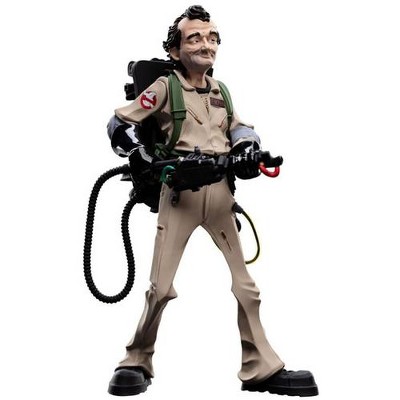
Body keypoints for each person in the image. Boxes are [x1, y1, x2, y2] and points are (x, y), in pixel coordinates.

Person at [107, 5, 318, 397]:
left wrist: (247, 148)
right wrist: (139, 154)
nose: (206, 44)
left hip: (220, 192)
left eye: (212, 37)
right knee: (160, 287)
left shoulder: (221, 91)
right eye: (195, 38)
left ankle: (261, 367)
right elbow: (120, 122)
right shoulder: (165, 88)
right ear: (175, 50)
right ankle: (136, 359)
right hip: (180, 192)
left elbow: (239, 127)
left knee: (246, 287)